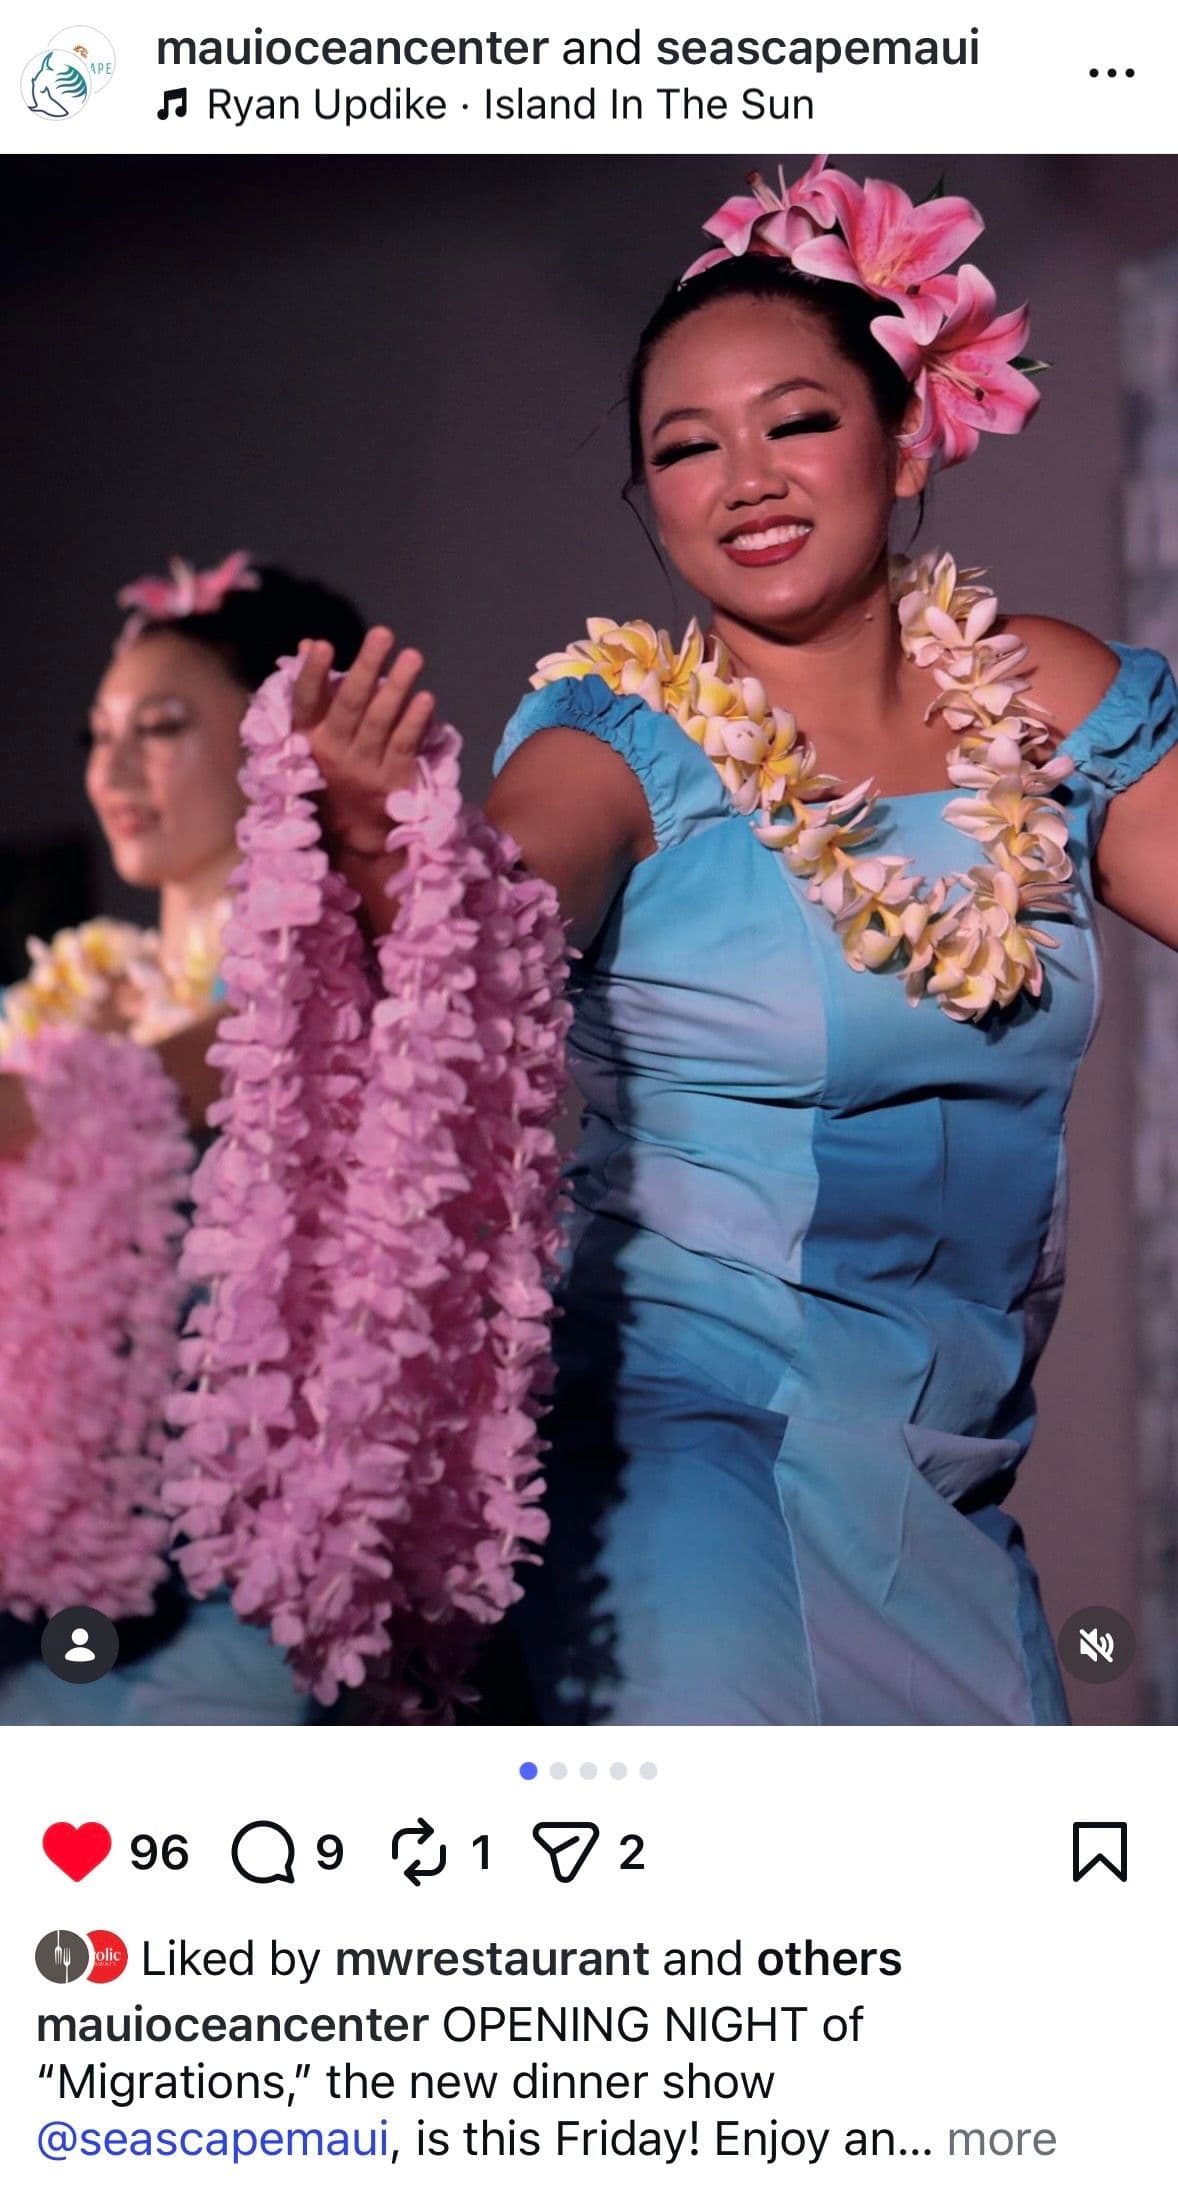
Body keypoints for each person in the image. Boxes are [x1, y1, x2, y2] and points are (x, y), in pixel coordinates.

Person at [292, 161, 1178, 1725]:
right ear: (650, 505)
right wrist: (395, 861)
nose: (745, 478)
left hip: (943, 1474)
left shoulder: (1033, 695)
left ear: (905, 439)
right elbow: (488, 915)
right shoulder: (618, 745)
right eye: (685, 449)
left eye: (797, 421)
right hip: (681, 1450)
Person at [0, 552, 366, 1724]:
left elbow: (130, 1088)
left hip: (236, 1603)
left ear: (283, 745)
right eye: (97, 734)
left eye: (159, 728)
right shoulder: (76, 996)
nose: (112, 770)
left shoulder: (323, 1003)